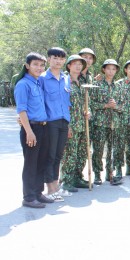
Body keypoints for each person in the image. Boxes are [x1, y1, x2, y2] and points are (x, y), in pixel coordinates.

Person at [14, 52, 53, 208]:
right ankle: (29, 197)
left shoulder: (38, 83)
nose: (39, 67)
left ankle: (38, 193)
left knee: (41, 163)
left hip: (43, 127)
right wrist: (29, 131)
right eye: (35, 64)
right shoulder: (23, 84)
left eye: (42, 65)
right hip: (31, 129)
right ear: (27, 66)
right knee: (31, 164)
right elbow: (21, 110)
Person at [40, 47, 71, 198]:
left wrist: (69, 124)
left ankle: (56, 186)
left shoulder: (66, 78)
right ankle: (50, 189)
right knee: (50, 155)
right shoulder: (42, 78)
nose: (58, 61)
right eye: (55, 58)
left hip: (64, 121)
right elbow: (39, 101)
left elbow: (67, 102)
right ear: (49, 59)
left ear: (64, 61)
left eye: (61, 59)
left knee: (58, 155)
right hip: (50, 122)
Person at [90, 59, 123, 184]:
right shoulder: (97, 84)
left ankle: (110, 173)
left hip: (114, 123)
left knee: (111, 150)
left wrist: (115, 107)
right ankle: (97, 174)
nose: (111, 71)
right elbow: (91, 103)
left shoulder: (118, 87)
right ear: (104, 69)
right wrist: (105, 105)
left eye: (113, 69)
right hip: (100, 122)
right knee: (98, 149)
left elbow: (123, 106)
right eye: (108, 68)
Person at [60, 55, 90, 192]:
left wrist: (88, 112)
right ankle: (66, 180)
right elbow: (63, 105)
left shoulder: (81, 82)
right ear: (68, 66)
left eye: (80, 64)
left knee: (82, 153)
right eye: (75, 64)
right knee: (70, 154)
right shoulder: (64, 81)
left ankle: (77, 178)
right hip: (71, 124)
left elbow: (86, 103)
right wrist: (68, 126)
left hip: (83, 125)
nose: (78, 66)